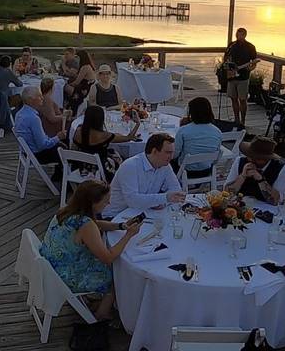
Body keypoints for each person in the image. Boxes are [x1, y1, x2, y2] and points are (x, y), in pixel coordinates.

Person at [39, 180, 141, 321]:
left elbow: (96, 224)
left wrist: (121, 226)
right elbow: (108, 257)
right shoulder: (86, 225)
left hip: (50, 268)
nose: (108, 204)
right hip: (65, 278)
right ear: (93, 202)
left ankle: (93, 303)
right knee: (117, 274)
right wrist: (129, 235)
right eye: (105, 202)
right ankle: (102, 313)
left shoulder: (66, 211)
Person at [102, 133, 185, 218]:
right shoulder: (130, 166)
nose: (171, 157)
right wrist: (164, 198)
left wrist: (162, 202)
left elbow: (176, 189)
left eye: (172, 153)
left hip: (143, 213)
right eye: (168, 152)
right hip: (116, 216)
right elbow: (133, 200)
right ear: (154, 151)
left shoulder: (165, 165)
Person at [72, 105, 138, 180]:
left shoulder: (78, 130)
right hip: (99, 169)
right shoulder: (103, 135)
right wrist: (137, 124)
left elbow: (73, 147)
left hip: (81, 166)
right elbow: (128, 138)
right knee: (121, 158)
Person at [224, 137, 285, 206]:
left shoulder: (282, 168)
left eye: (257, 158)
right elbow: (226, 193)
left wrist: (260, 180)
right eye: (250, 156)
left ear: (267, 159)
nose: (251, 159)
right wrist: (242, 176)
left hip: (266, 208)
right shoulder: (240, 161)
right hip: (240, 205)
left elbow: (275, 201)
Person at [14, 86, 67, 171]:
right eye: (39, 96)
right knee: (64, 149)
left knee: (59, 143)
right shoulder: (33, 118)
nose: (42, 98)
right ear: (30, 100)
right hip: (37, 155)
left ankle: (57, 176)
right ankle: (63, 179)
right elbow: (42, 145)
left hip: (26, 152)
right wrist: (58, 137)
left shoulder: (19, 114)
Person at [172, 97, 222, 179]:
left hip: (185, 171)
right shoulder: (217, 132)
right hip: (207, 170)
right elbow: (216, 151)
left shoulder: (183, 130)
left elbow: (174, 154)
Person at [223, 28, 258, 128]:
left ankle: (243, 121)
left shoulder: (250, 47)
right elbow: (225, 57)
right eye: (238, 35)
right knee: (233, 98)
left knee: (242, 99)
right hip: (231, 77)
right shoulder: (231, 45)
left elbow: (254, 62)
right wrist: (227, 67)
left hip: (243, 77)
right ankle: (236, 119)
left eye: (241, 35)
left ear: (245, 35)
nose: (239, 37)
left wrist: (250, 68)